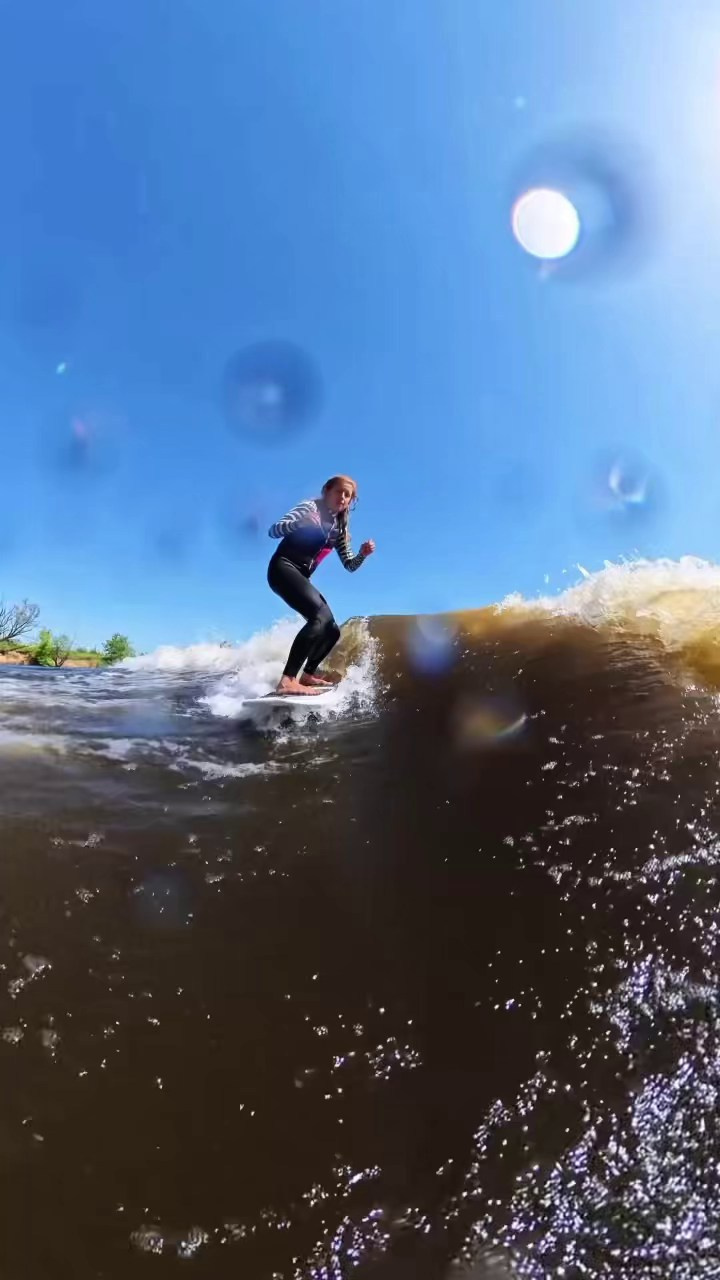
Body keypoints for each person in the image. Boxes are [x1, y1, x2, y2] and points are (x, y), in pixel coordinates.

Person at [268, 475, 375, 695]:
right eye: (339, 492)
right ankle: (287, 681)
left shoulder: (339, 529)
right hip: (283, 568)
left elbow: (349, 565)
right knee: (319, 618)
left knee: (331, 630)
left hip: (300, 576)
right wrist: (299, 524)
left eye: (348, 495)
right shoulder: (310, 508)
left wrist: (362, 555)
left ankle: (307, 675)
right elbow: (274, 530)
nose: (342, 497)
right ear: (327, 491)